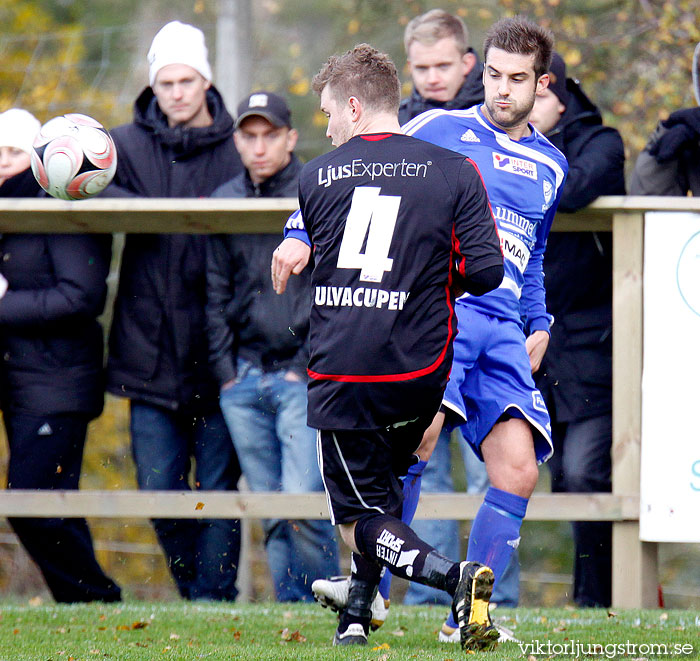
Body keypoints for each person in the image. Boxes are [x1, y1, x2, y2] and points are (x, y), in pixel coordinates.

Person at [272, 44, 504, 650]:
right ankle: (355, 614)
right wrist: (430, 278)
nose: (325, 128)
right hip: (421, 371)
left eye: (327, 114)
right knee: (387, 492)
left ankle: (458, 578)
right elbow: (485, 273)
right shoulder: (456, 169)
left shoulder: (315, 176)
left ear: (353, 106)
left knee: (357, 519)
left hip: (347, 369)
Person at [105, 20, 243, 601]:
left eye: (186, 80)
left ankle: (213, 603)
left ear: (205, 80)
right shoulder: (123, 145)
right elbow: (78, 187)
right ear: (153, 87)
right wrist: (146, 207)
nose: (177, 92)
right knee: (159, 489)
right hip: (147, 350)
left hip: (219, 351)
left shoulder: (242, 145)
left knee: (216, 488)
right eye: (166, 83)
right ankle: (195, 592)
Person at [400, 8, 519, 610]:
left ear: (470, 63)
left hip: (495, 317)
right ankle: (418, 586)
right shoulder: (420, 127)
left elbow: (536, 240)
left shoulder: (522, 131)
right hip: (433, 315)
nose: (433, 76)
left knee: (503, 467)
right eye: (421, 68)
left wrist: (538, 318)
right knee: (421, 449)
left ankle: (489, 599)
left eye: (444, 64)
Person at [206, 91, 339, 601]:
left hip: (300, 377)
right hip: (243, 377)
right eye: (249, 136)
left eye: (270, 135)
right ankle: (289, 607)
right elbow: (213, 292)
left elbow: (334, 289)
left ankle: (322, 603)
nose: (259, 147)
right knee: (269, 506)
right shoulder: (223, 201)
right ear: (238, 141)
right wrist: (225, 372)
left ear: (289, 137)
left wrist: (307, 366)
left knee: (305, 501)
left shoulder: (320, 191)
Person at [0, 108, 121, 603]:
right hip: (18, 382)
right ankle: (91, 604)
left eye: (10, 152)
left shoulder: (66, 205)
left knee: (32, 501)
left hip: (58, 383)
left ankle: (94, 597)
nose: (1, 162)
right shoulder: (7, 213)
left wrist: (4, 302)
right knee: (48, 502)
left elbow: (81, 295)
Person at [529, 52, 625, 607]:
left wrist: (521, 166)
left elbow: (572, 188)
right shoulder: (505, 145)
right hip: (536, 350)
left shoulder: (602, 141)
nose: (524, 104)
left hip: (596, 347)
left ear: (561, 96)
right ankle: (591, 601)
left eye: (538, 93)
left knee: (588, 478)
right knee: (563, 482)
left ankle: (604, 599)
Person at [399, 9, 484, 125]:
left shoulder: (500, 115)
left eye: (443, 66)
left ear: (466, 63)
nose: (432, 79)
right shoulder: (397, 125)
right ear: (410, 68)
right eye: (422, 68)